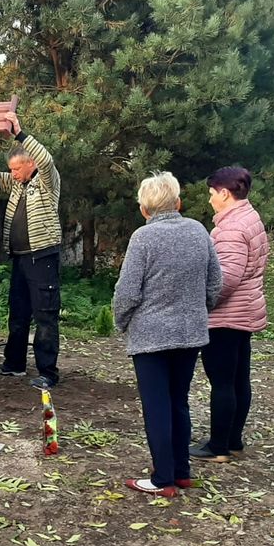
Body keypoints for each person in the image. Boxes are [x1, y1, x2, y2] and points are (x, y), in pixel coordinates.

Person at [112, 172, 223, 498]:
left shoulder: (142, 239)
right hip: (189, 334)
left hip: (150, 338)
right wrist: (198, 308)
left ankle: (163, 480)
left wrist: (121, 322)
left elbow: (127, 293)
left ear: (144, 209)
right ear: (178, 202)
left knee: (157, 406)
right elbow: (214, 283)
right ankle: (181, 471)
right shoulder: (199, 231)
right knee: (178, 402)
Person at [191, 167, 269, 462]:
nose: (209, 199)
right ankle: (233, 440)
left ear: (225, 193)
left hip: (226, 316)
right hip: (245, 311)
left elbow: (226, 278)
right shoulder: (251, 217)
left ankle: (218, 446)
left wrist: (201, 301)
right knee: (238, 379)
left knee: (223, 381)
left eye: (212, 193)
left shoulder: (231, 228)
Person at [0, 109, 62, 389]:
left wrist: (19, 133)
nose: (12, 175)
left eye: (16, 169)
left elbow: (46, 158)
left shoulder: (46, 181)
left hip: (43, 257)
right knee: (17, 312)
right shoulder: (17, 184)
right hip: (20, 259)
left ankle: (48, 373)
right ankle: (14, 364)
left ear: (30, 164)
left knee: (45, 314)